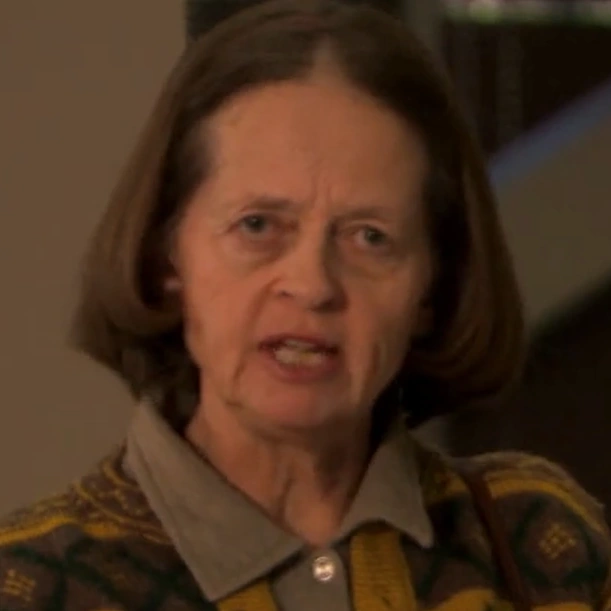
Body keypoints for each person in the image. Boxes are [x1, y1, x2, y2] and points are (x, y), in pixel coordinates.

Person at [0, 1, 609, 610]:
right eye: (258, 225)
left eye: (370, 237)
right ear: (166, 260)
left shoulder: (540, 547)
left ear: (431, 287)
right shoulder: (35, 585)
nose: (313, 284)